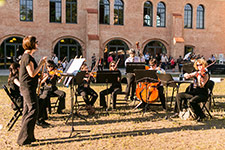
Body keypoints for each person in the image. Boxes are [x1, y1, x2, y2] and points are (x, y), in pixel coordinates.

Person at [17, 36, 47, 146]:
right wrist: (41, 64)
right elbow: (32, 73)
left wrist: (40, 75)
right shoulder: (27, 58)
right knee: (33, 110)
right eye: (36, 42)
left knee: (27, 111)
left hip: (28, 87)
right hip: (27, 88)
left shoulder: (27, 56)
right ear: (32, 44)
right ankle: (23, 139)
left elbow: (33, 74)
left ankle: (30, 137)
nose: (37, 44)